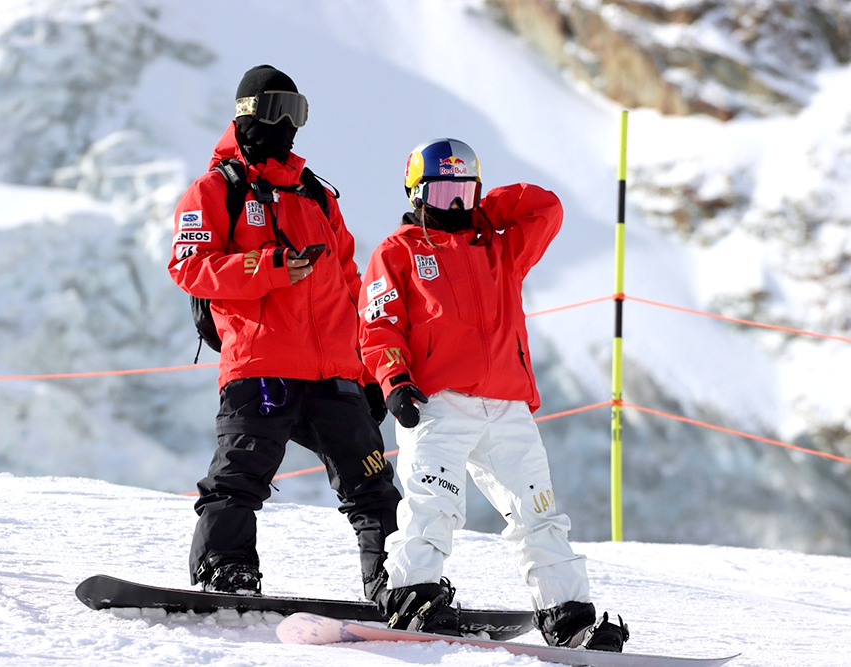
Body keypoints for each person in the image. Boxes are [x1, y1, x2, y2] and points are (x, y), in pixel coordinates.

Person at [357, 138, 629, 651]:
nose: (456, 204)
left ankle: (567, 617)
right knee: (432, 505)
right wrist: (393, 382)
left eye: (465, 191)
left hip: (506, 405)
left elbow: (545, 207)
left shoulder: (498, 246)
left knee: (539, 513)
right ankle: (412, 596)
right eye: (443, 192)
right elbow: (379, 327)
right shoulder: (399, 252)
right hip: (437, 403)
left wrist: (484, 209)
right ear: (416, 193)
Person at [168, 65, 400, 600]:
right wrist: (266, 266)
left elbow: (350, 287)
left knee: (372, 486)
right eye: (278, 112)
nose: (288, 127)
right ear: (248, 113)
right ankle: (225, 569)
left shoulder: (317, 194)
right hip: (261, 365)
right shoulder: (215, 189)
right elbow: (189, 266)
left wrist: (365, 370)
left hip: (333, 374)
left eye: (297, 115)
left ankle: (397, 581)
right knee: (239, 476)